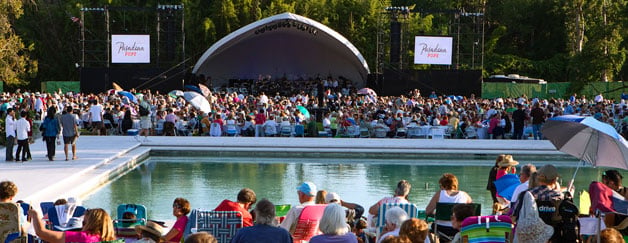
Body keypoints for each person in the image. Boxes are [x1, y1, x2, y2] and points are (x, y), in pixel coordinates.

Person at [425, 173, 472, 242]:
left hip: (440, 229)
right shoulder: (464, 195)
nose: (440, 187)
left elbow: (427, 211)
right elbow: (473, 212)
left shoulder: (440, 194)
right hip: (459, 228)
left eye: (440, 185)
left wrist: (437, 214)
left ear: (444, 185)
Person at [29, 208, 116, 243]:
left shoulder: (83, 237)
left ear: (91, 223)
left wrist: (35, 215)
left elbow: (41, 233)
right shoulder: (109, 239)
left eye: (84, 223)